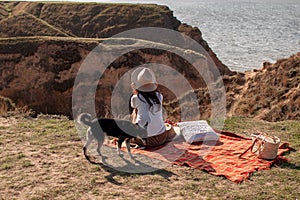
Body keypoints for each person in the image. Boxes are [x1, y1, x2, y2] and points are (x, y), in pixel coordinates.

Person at [129, 67, 176, 147]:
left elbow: (133, 106)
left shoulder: (136, 98)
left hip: (146, 140)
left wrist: (134, 90)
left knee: (135, 110)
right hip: (162, 137)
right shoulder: (159, 96)